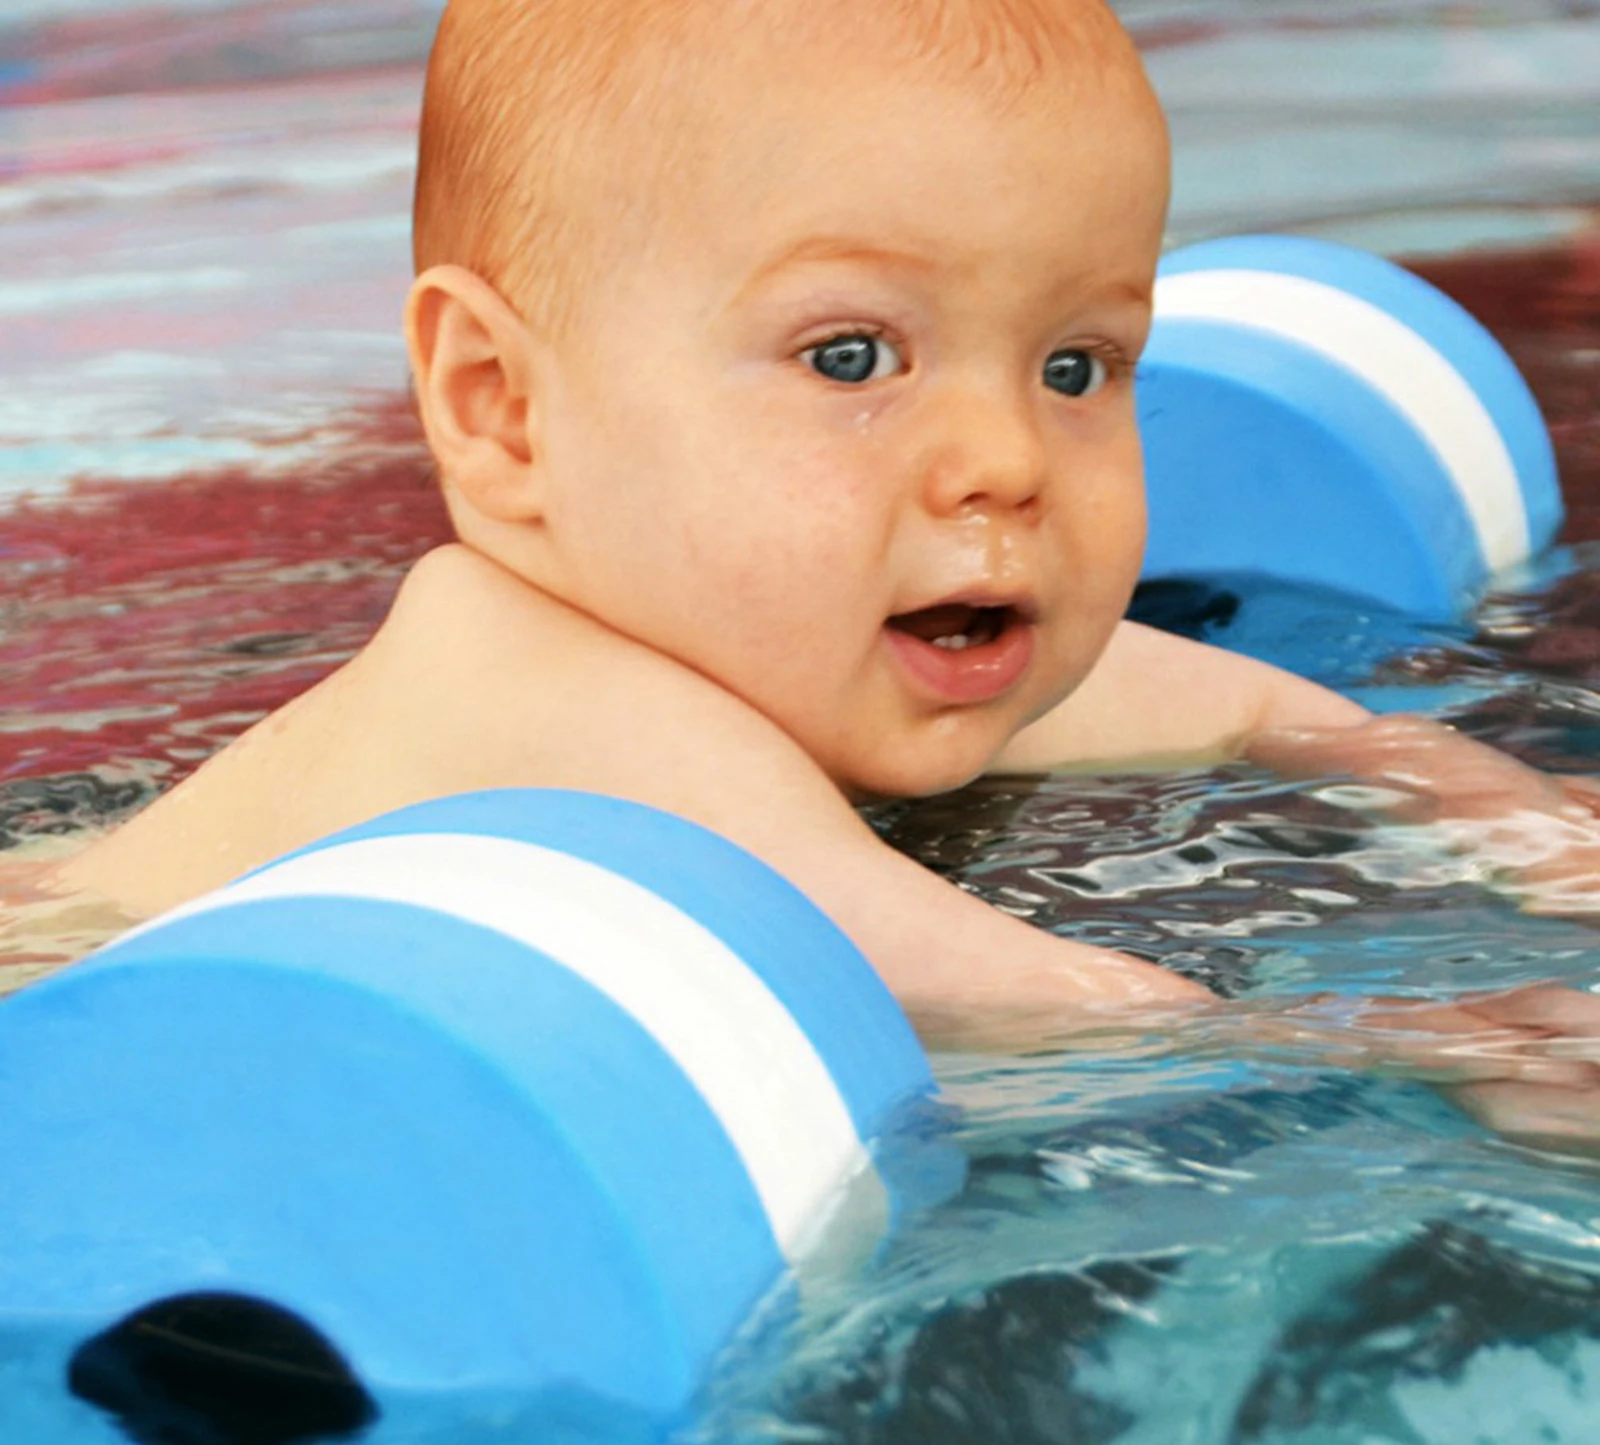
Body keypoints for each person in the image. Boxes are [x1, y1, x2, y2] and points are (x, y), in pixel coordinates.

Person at [50, 0, 1600, 1096]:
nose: (1003, 461)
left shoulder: (819, 639)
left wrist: (1499, 810)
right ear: (502, 408)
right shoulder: (529, 692)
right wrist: (1426, 1041)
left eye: (1076, 366)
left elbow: (1252, 705)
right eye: (853, 359)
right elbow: (946, 973)